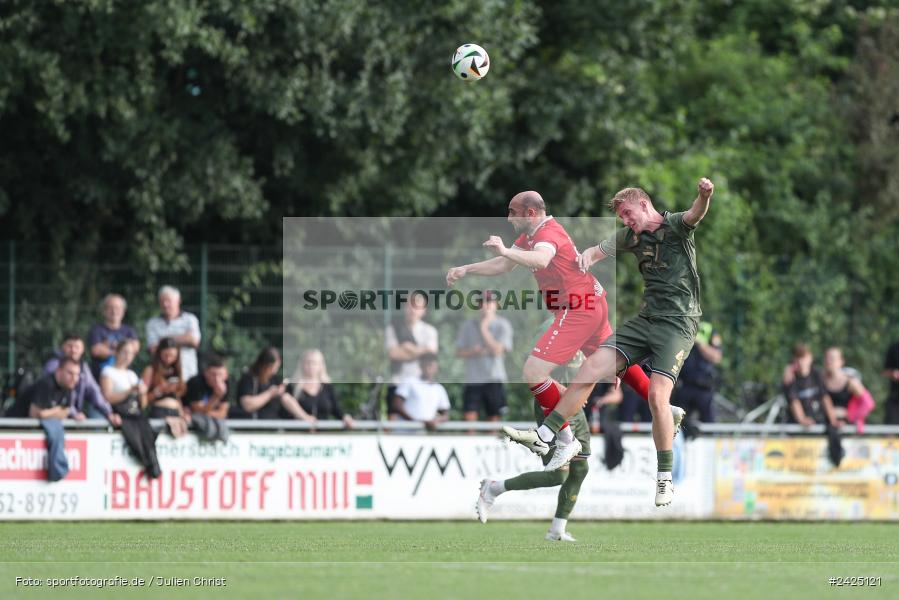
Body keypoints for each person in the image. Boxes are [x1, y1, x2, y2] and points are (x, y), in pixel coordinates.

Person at [446, 190, 677, 489]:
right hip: (590, 302)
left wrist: (504, 250)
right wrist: (467, 269)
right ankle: (668, 409)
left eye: (512, 212)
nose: (508, 218)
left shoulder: (547, 233)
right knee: (616, 362)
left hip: (578, 308)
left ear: (530, 213)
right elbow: (504, 265)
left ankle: (565, 438)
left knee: (533, 372)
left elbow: (542, 259)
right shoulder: (530, 236)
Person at [505, 178, 715, 507]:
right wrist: (587, 258)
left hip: (678, 324)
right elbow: (598, 249)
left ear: (644, 204)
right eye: (621, 217)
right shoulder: (631, 236)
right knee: (590, 368)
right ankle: (546, 436)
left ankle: (664, 477)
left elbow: (695, 214)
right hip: (646, 320)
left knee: (657, 396)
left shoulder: (675, 225)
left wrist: (704, 195)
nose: (626, 221)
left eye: (628, 213)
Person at [24, 358, 113, 481]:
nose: (74, 378)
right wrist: (57, 410)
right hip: (13, 428)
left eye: (77, 375)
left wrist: (49, 413)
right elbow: (35, 413)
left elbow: (64, 412)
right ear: (58, 371)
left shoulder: (69, 388)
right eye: (70, 373)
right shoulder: (46, 384)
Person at [100, 340, 160, 478]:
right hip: (120, 413)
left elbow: (143, 405)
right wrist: (130, 390)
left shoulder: (132, 375)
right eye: (125, 352)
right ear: (117, 352)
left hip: (136, 414)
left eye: (131, 353)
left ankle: (152, 465)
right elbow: (107, 397)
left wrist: (143, 393)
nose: (127, 356)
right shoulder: (108, 372)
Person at [455, 292, 513, 422]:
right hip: (473, 379)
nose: (486, 305)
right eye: (482, 302)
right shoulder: (468, 325)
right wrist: (473, 351)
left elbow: (498, 350)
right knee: (469, 417)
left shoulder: (503, 325)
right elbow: (459, 352)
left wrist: (483, 328)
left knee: (493, 418)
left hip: (494, 378)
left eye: (489, 302)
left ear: (496, 305)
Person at [385, 291, 438, 418]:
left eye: (417, 306)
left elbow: (431, 354)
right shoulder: (393, 328)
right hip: (397, 383)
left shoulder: (430, 331)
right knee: (393, 421)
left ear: (424, 310)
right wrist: (421, 350)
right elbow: (393, 354)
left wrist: (408, 348)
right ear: (405, 307)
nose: (412, 309)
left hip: (421, 387)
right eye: (409, 305)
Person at [43, 332, 116, 422]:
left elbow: (94, 392)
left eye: (77, 347)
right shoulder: (54, 365)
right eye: (70, 346)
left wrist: (109, 413)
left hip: (73, 419)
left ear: (82, 349)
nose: (73, 350)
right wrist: (73, 413)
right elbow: (57, 394)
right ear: (62, 347)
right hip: (51, 417)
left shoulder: (84, 368)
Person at [234, 347, 316, 422]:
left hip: (273, 424)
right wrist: (270, 393)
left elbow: (286, 399)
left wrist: (305, 417)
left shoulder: (274, 379)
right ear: (265, 365)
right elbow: (247, 405)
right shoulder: (249, 378)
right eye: (273, 367)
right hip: (252, 425)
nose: (275, 371)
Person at [146, 285, 201, 380]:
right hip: (162, 376)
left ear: (178, 301)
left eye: (168, 301)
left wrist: (164, 341)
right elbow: (153, 349)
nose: (165, 304)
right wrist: (183, 338)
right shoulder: (152, 323)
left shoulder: (190, 319)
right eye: (162, 301)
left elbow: (194, 341)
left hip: (188, 373)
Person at [672, 321, 722, 423]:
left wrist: (700, 343)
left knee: (709, 422)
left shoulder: (708, 330)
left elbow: (716, 357)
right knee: (678, 421)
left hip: (703, 387)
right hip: (684, 386)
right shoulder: (682, 328)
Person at [290, 349, 354, 428]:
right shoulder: (293, 387)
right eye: (308, 362)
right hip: (297, 433)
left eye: (314, 363)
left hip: (323, 433)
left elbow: (336, 409)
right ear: (302, 364)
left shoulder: (328, 387)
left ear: (320, 365)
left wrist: (345, 417)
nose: (311, 366)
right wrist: (305, 417)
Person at [142, 337, 189, 437]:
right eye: (165, 355)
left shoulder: (176, 371)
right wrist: (159, 391)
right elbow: (143, 400)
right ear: (159, 354)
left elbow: (177, 397)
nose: (168, 359)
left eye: (172, 356)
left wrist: (182, 413)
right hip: (160, 411)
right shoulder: (151, 370)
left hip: (175, 412)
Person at [87, 293, 140, 380]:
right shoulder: (96, 330)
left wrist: (108, 348)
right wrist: (122, 349)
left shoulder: (129, 331)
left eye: (117, 308)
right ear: (104, 311)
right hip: (100, 376)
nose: (114, 311)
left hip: (124, 376)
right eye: (110, 307)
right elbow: (96, 350)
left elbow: (135, 348)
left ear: (123, 311)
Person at [392, 354, 450, 430]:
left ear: (437, 368)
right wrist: (416, 422)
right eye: (427, 364)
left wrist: (436, 421)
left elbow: (445, 415)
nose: (429, 368)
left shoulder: (439, 389)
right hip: (404, 433)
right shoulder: (409, 382)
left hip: (424, 434)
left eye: (431, 365)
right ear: (421, 366)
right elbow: (397, 405)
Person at [784, 344, 837, 427]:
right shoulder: (791, 378)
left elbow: (825, 397)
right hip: (799, 426)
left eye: (803, 357)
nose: (801, 362)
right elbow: (794, 401)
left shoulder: (817, 374)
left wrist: (833, 420)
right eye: (798, 358)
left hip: (819, 420)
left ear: (810, 358)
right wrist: (802, 419)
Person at [823, 346, 874, 430]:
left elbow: (868, 404)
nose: (828, 361)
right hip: (822, 425)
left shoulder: (850, 382)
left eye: (832, 358)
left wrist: (849, 415)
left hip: (845, 428)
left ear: (841, 361)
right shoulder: (819, 380)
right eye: (826, 358)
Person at [184, 355, 231, 420]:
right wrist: (216, 396)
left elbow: (223, 413)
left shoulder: (225, 384)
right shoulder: (196, 382)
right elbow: (198, 411)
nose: (217, 379)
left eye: (220, 375)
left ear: (226, 375)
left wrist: (207, 413)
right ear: (206, 373)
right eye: (213, 375)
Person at [883, 340, 899, 425]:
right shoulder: (894, 348)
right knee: (891, 428)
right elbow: (885, 372)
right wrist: (893, 374)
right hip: (895, 398)